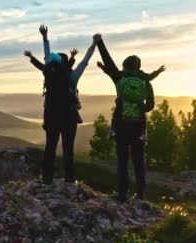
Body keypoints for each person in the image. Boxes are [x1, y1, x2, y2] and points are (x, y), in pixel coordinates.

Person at [93, 33, 162, 202]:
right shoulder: (146, 82)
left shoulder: (120, 78)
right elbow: (150, 106)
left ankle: (122, 194)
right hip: (138, 126)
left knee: (122, 161)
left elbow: (109, 63)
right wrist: (140, 107)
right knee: (139, 160)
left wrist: (99, 43)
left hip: (121, 125)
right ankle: (140, 194)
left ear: (124, 66)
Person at [28, 25, 97, 185]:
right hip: (69, 115)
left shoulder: (48, 71)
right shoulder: (72, 76)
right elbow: (85, 62)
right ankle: (70, 180)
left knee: (50, 147)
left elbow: (46, 56)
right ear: (68, 64)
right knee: (68, 149)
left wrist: (45, 37)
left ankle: (46, 180)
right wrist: (93, 45)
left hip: (51, 114)